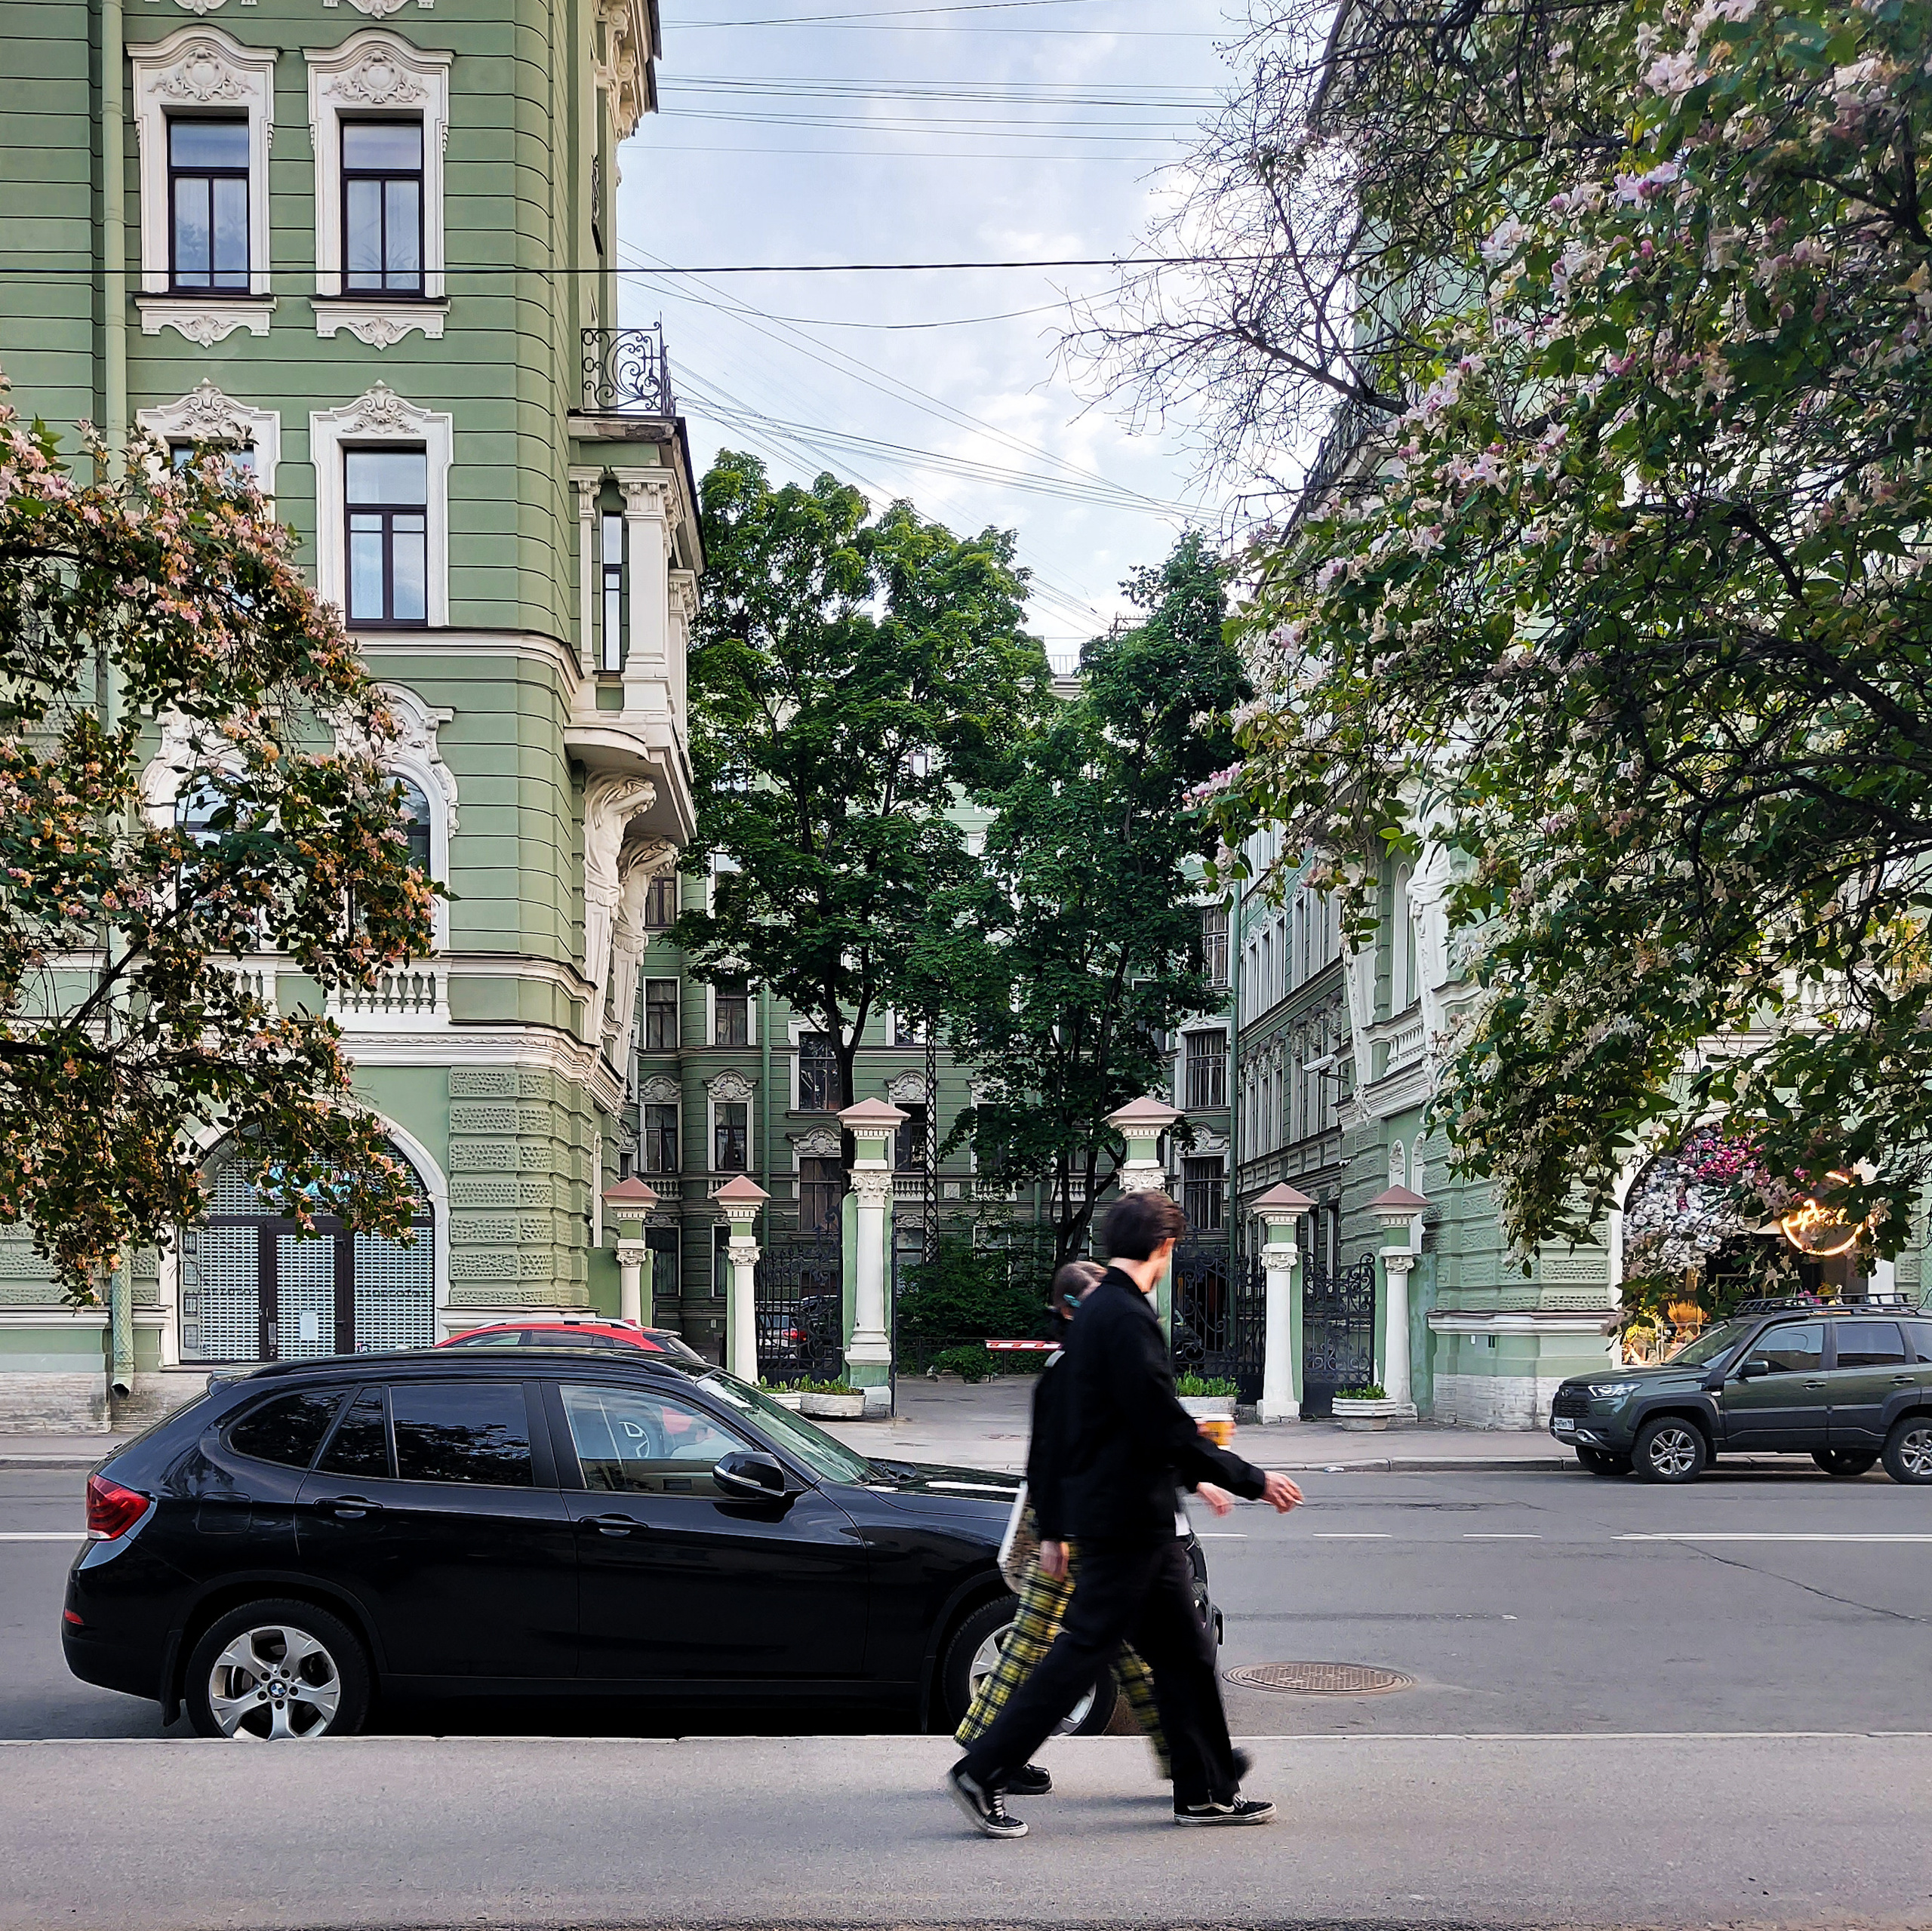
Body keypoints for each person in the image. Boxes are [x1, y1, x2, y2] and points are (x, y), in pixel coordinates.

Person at [947, 1189, 1303, 1838]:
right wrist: (1249, 1478)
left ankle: (1206, 1790)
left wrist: (1057, 1523)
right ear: (1165, 1247)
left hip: (1133, 1519)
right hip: (1126, 1523)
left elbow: (1074, 1435)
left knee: (1187, 1655)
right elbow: (1161, 1425)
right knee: (1085, 1650)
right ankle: (985, 1769)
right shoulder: (1127, 1318)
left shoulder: (1097, 1317)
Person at [954, 1260, 1236, 1791]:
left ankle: (1190, 1760)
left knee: (1124, 1649)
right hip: (1071, 1519)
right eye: (1092, 1301)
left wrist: (1196, 1473)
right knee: (1054, 1641)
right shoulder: (1072, 1362)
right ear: (1068, 1309)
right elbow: (1061, 1449)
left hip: (1089, 1518)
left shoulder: (1092, 1352)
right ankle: (986, 1751)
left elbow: (1140, 1431)